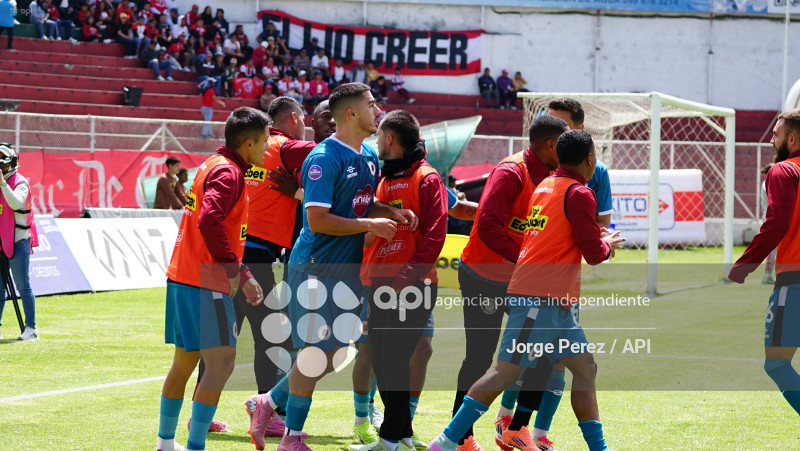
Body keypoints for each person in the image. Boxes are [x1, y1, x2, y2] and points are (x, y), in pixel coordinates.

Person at [245, 83, 417, 450]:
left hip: (347, 271)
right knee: (314, 354)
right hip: (314, 268)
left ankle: (267, 402)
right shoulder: (323, 157)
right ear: (352, 113)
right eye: (372, 105)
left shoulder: (367, 155)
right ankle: (291, 438)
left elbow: (360, 203)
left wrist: (390, 212)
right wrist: (371, 225)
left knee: (335, 353)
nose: (379, 110)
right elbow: (319, 219)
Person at [429, 129, 625, 451]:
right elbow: (593, 254)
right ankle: (447, 441)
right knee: (504, 372)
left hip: (555, 301)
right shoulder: (579, 193)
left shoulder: (546, 186)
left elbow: (558, 236)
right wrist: (606, 244)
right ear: (590, 159)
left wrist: (594, 238)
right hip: (540, 299)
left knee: (585, 367)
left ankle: (595, 447)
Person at [493, 98, 614, 450]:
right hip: (535, 282)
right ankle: (503, 423)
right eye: (550, 123)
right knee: (517, 362)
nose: (555, 133)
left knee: (560, 363)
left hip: (563, 283)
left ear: (578, 129)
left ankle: (536, 432)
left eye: (562, 125)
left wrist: (597, 238)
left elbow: (597, 224)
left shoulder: (595, 174)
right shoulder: (540, 174)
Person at [449, 115, 568, 450]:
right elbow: (487, 226)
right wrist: (527, 260)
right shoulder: (511, 171)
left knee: (541, 353)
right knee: (479, 358)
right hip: (484, 277)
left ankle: (515, 428)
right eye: (564, 144)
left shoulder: (555, 177)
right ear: (550, 146)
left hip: (523, 280)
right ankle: (461, 437)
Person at [154, 107, 268, 451]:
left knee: (185, 362)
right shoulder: (229, 172)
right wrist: (240, 273)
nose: (267, 149)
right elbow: (209, 220)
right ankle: (195, 446)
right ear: (248, 144)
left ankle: (165, 442)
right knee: (221, 364)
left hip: (184, 276)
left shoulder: (211, 164)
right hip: (205, 281)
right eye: (264, 141)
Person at [234, 98, 334, 446]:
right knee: (278, 339)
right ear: (296, 118)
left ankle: (201, 417)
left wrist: (297, 192)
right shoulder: (290, 149)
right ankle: (268, 408)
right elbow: (335, 156)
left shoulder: (246, 153)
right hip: (264, 259)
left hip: (234, 255)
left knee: (223, 340)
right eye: (315, 118)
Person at [349, 110, 448, 451]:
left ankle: (388, 439)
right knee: (381, 358)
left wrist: (407, 275)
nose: (376, 141)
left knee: (393, 358)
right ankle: (402, 433)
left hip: (412, 286)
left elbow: (436, 235)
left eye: (379, 136)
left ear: (390, 139)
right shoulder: (382, 177)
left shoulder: (427, 178)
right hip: (380, 282)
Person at [728, 108, 800, 420]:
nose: (772, 140)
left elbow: (777, 223)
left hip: (795, 280)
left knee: (777, 363)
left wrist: (745, 264)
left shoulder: (784, 170)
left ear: (792, 139)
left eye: (776, 134)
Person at [0, 143, 39, 341]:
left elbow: (15, 203)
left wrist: (3, 185)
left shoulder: (20, 182)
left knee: (23, 284)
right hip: (1, 240)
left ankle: (31, 328)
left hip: (18, 240)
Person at [761, 163, 777, 284]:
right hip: (773, 220)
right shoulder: (768, 183)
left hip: (770, 219)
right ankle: (767, 274)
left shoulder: (766, 183)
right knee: (774, 248)